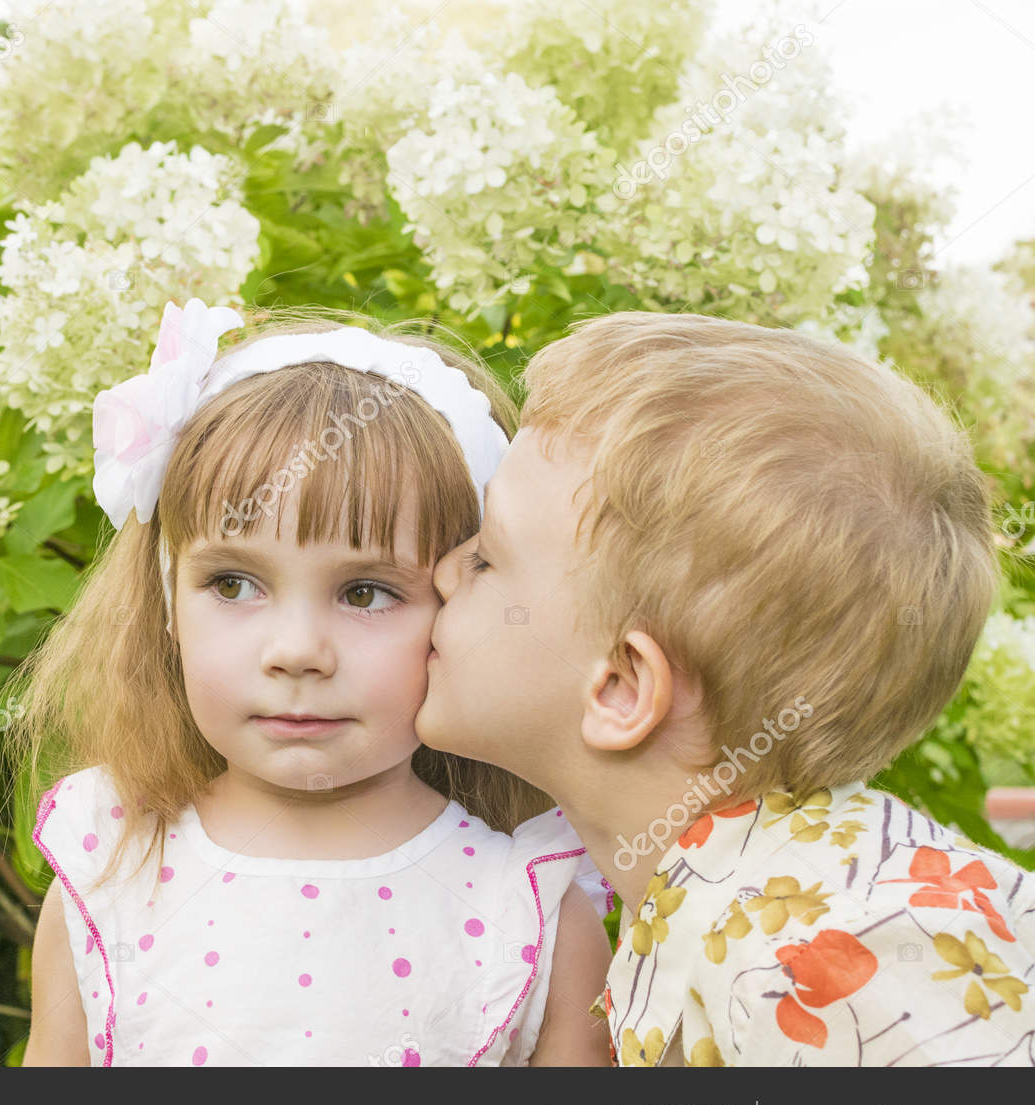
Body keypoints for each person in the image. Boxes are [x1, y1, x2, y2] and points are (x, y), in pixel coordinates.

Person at [416, 310, 1035, 1066]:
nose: (445, 572)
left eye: (486, 557)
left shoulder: (818, 955)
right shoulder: (768, 890)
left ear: (620, 687)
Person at [12, 299, 613, 1066]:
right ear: (168, 601)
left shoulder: (527, 917)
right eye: (233, 584)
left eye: (366, 591)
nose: (296, 651)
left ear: (464, 612)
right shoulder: (109, 876)